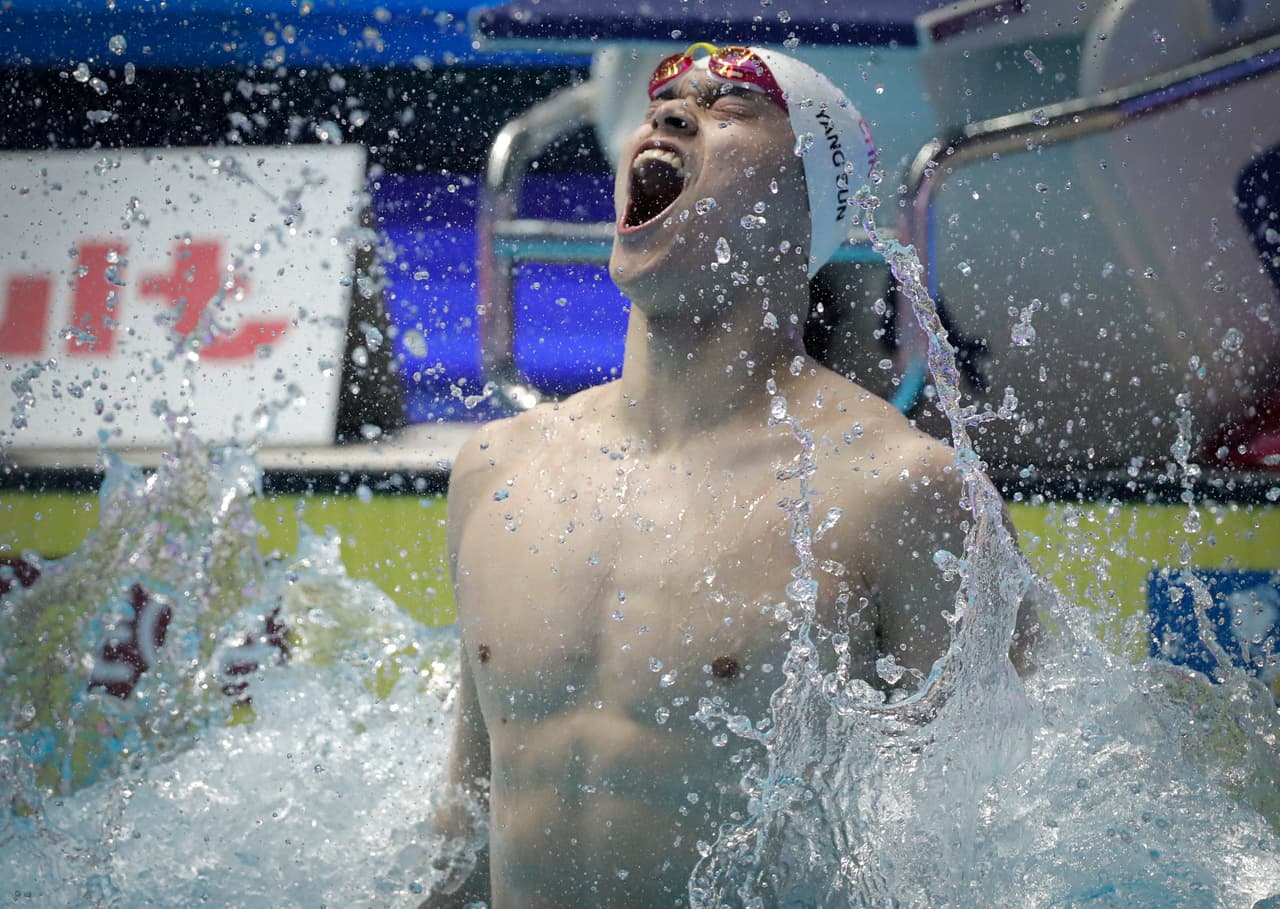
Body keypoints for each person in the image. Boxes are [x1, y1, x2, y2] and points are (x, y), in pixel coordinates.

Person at [425, 43, 1036, 908]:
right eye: (665, 100)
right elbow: (464, 823)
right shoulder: (499, 469)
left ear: (810, 201)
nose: (670, 115)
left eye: (730, 110)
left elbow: (998, 841)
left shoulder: (900, 489)